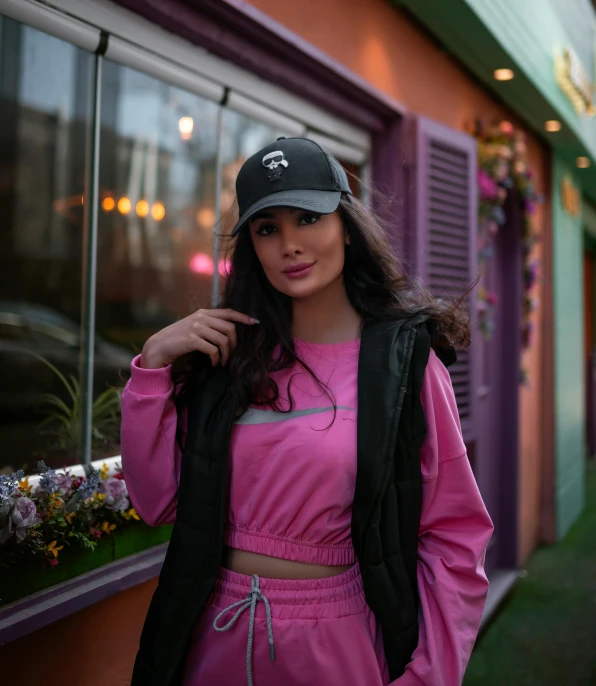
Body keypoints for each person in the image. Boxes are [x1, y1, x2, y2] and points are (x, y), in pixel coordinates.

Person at [120, 137, 494, 686]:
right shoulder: (231, 360)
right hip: (211, 636)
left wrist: (429, 675)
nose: (289, 244)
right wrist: (152, 368)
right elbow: (158, 503)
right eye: (267, 228)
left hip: (335, 641)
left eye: (308, 217)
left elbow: (455, 535)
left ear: (345, 224)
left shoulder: (404, 363)